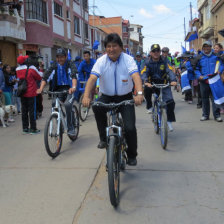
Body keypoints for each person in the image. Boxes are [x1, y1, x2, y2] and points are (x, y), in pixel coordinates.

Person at [82, 33, 143, 166]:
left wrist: (139, 93)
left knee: (130, 128)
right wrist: (86, 96)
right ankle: (103, 138)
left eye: (114, 46)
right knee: (97, 106)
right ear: (105, 49)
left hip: (125, 97)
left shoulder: (128, 60)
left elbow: (136, 76)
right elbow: (92, 79)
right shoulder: (101, 61)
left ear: (120, 47)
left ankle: (132, 155)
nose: (111, 49)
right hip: (107, 96)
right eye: (108, 46)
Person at [37, 48, 78, 136]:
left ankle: (71, 127)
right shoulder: (54, 65)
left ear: (66, 57)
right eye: (58, 57)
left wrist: (73, 87)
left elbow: (74, 75)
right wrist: (40, 88)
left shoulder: (70, 64)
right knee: (53, 104)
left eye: (62, 57)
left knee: (67, 105)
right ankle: (61, 118)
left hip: (69, 89)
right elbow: (46, 76)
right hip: (57, 89)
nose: (60, 59)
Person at [144, 44, 177, 132]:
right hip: (152, 85)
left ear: (160, 52)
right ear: (151, 52)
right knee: (146, 89)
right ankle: (149, 107)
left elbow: (170, 70)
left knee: (170, 102)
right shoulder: (147, 62)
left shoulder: (165, 60)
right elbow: (144, 72)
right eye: (154, 51)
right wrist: (146, 81)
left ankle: (169, 121)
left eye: (157, 51)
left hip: (164, 84)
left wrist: (173, 80)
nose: (156, 53)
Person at [195, 41, 223, 122]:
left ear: (211, 47)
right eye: (205, 47)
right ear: (203, 48)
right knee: (204, 99)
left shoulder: (216, 56)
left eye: (208, 46)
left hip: (214, 81)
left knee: (215, 99)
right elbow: (196, 68)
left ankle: (217, 115)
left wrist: (219, 71)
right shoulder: (199, 57)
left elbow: (221, 64)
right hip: (204, 81)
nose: (206, 48)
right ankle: (205, 115)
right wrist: (199, 76)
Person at [16, 55, 42, 134]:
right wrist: (40, 68)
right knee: (32, 111)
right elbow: (39, 77)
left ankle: (25, 128)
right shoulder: (31, 68)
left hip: (22, 92)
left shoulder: (17, 69)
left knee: (24, 111)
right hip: (31, 92)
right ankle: (33, 129)